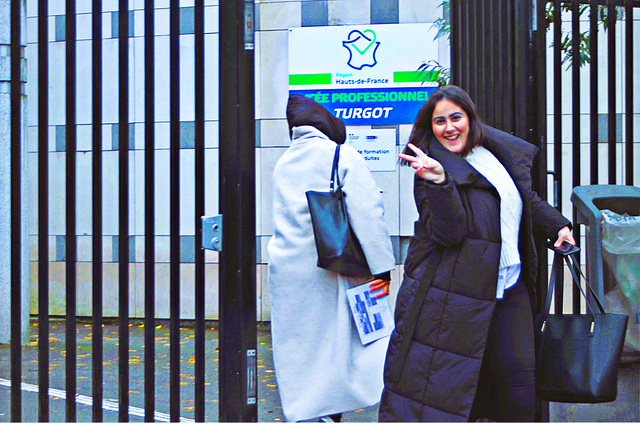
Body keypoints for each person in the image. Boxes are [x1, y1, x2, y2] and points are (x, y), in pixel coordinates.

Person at [378, 85, 575, 422]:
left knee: (519, 389)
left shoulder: (493, 155)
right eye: (440, 121)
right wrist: (439, 182)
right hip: (455, 297)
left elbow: (523, 199)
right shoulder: (430, 167)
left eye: (456, 117)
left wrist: (558, 225)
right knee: (450, 395)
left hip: (508, 287)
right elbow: (448, 232)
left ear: (470, 118)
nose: (449, 127)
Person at [267, 95, 396, 422]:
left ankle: (306, 412)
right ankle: (333, 410)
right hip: (332, 267)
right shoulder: (341, 155)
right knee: (343, 344)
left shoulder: (284, 162)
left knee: (301, 348)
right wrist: (382, 267)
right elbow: (368, 213)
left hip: (289, 272)